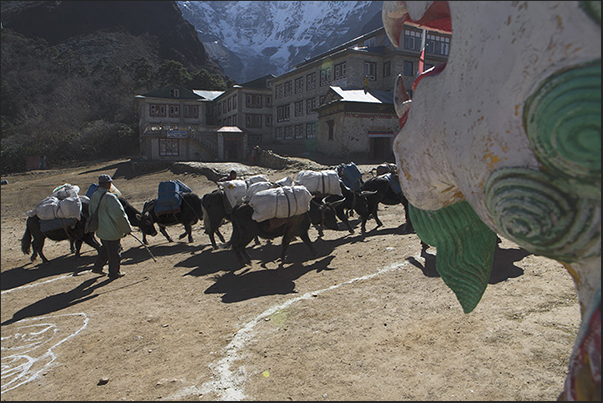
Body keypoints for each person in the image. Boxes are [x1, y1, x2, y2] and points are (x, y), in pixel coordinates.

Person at [89, 174, 134, 280]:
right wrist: (127, 229)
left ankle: (97, 267)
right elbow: (119, 215)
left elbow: (91, 212)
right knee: (115, 252)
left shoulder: (94, 196)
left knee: (105, 248)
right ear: (109, 184)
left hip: (101, 230)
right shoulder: (110, 197)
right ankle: (114, 273)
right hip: (112, 231)